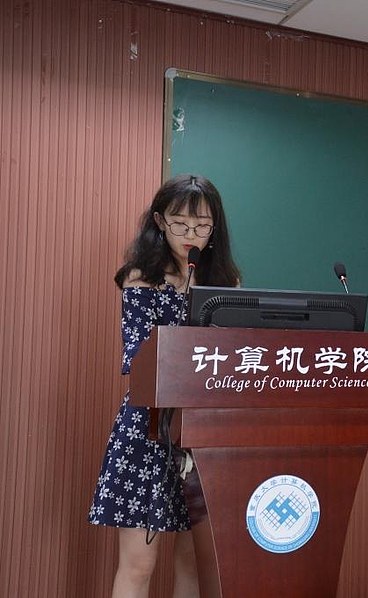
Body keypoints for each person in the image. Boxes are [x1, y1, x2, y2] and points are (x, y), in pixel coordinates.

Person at [88, 174, 240, 597]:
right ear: (159, 221)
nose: (191, 235)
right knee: (139, 564)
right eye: (179, 224)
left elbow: (235, 356)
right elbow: (138, 357)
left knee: (193, 562)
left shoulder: (226, 285)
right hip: (149, 428)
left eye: (202, 226)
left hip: (204, 432)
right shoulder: (141, 278)